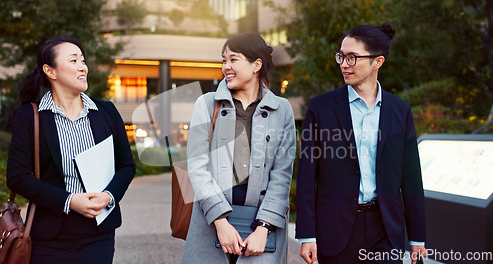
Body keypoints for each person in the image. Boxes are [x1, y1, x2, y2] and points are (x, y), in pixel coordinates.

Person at [295, 23, 427, 264]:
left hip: (385, 230)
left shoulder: (400, 111)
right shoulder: (321, 107)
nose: (344, 64)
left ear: (377, 62)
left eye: (352, 57)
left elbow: (411, 178)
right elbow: (306, 175)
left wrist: (417, 237)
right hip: (335, 230)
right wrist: (306, 234)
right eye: (341, 56)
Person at [6, 36, 135, 264]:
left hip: (99, 235)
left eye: (83, 61)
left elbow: (126, 165)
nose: (82, 67)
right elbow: (17, 177)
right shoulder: (29, 117)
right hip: (48, 238)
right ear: (50, 71)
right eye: (74, 61)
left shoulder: (106, 112)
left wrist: (109, 196)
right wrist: (69, 201)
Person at [181, 32, 296, 264]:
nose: (226, 67)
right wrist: (220, 222)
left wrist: (264, 228)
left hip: (263, 225)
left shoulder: (281, 109)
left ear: (256, 65)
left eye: (233, 59)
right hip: (211, 218)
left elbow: (282, 174)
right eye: (224, 60)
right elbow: (197, 167)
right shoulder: (206, 104)